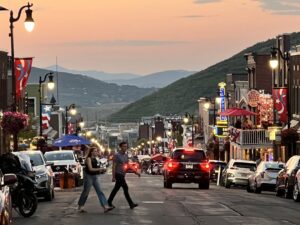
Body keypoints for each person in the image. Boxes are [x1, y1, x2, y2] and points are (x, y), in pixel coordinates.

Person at [77, 146, 113, 213]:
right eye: (95, 151)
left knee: (100, 191)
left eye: (97, 151)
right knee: (86, 192)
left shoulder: (96, 159)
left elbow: (96, 168)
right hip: (89, 177)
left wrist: (101, 170)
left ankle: (105, 206)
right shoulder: (88, 159)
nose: (96, 152)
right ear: (91, 152)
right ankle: (80, 206)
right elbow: (90, 169)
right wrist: (100, 169)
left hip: (95, 176)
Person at [107, 142, 140, 209]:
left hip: (122, 174)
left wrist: (135, 172)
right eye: (124, 146)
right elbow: (113, 166)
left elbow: (128, 165)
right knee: (125, 187)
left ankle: (109, 202)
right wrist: (113, 177)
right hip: (118, 174)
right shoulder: (117, 155)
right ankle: (131, 204)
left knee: (116, 189)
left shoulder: (125, 155)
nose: (125, 148)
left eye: (126, 146)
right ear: (120, 147)